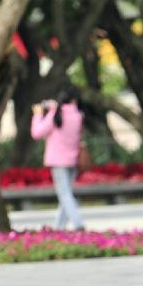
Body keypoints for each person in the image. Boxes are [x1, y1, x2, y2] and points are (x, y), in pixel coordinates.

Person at [31, 86, 86, 231]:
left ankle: (78, 223)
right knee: (66, 195)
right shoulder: (78, 116)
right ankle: (58, 228)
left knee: (65, 195)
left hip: (58, 161)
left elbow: (37, 133)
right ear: (74, 100)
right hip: (73, 160)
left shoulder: (56, 114)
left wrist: (38, 114)